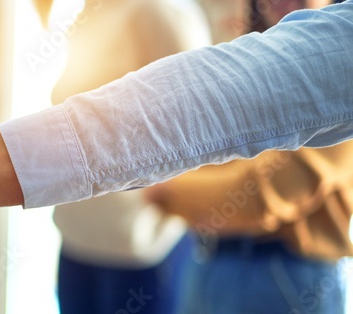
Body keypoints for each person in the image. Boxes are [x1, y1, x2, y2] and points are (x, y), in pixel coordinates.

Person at [0, 2, 353, 283]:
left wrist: (162, 197)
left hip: (217, 260)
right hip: (91, 238)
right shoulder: (84, 13)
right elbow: (220, 90)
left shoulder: (161, 12)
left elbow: (226, 113)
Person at [144, 0, 348, 313]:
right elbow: (205, 152)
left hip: (282, 275)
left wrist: (165, 190)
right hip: (207, 261)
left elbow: (266, 193)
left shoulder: (342, 66)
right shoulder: (252, 60)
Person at [47, 0, 208, 312]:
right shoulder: (90, 14)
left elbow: (196, 116)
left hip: (139, 244)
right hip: (79, 235)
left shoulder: (160, 12)